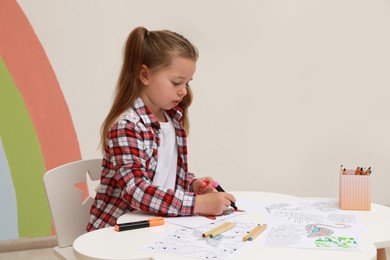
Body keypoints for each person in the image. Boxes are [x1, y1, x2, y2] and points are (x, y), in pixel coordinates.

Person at [87, 26, 235, 231]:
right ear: (145, 75)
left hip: (157, 225)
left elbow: (164, 175)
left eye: (187, 83)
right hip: (117, 231)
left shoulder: (172, 119)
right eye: (176, 82)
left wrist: (191, 184)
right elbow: (136, 190)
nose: (183, 91)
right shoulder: (127, 126)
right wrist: (197, 204)